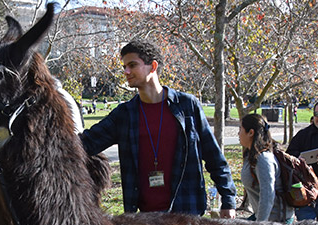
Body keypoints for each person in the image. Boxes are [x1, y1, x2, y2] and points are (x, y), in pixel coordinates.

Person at [81, 39, 236, 216]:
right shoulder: (124, 115)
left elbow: (214, 157)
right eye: (124, 66)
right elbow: (84, 144)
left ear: (153, 66)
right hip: (146, 221)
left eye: (132, 65)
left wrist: (228, 199)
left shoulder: (187, 106)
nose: (126, 71)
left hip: (188, 216)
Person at [238, 113, 294, 223]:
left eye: (240, 128)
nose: (238, 133)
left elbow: (268, 195)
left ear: (251, 133)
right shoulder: (251, 155)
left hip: (276, 222)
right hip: (264, 219)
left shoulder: (263, 159)